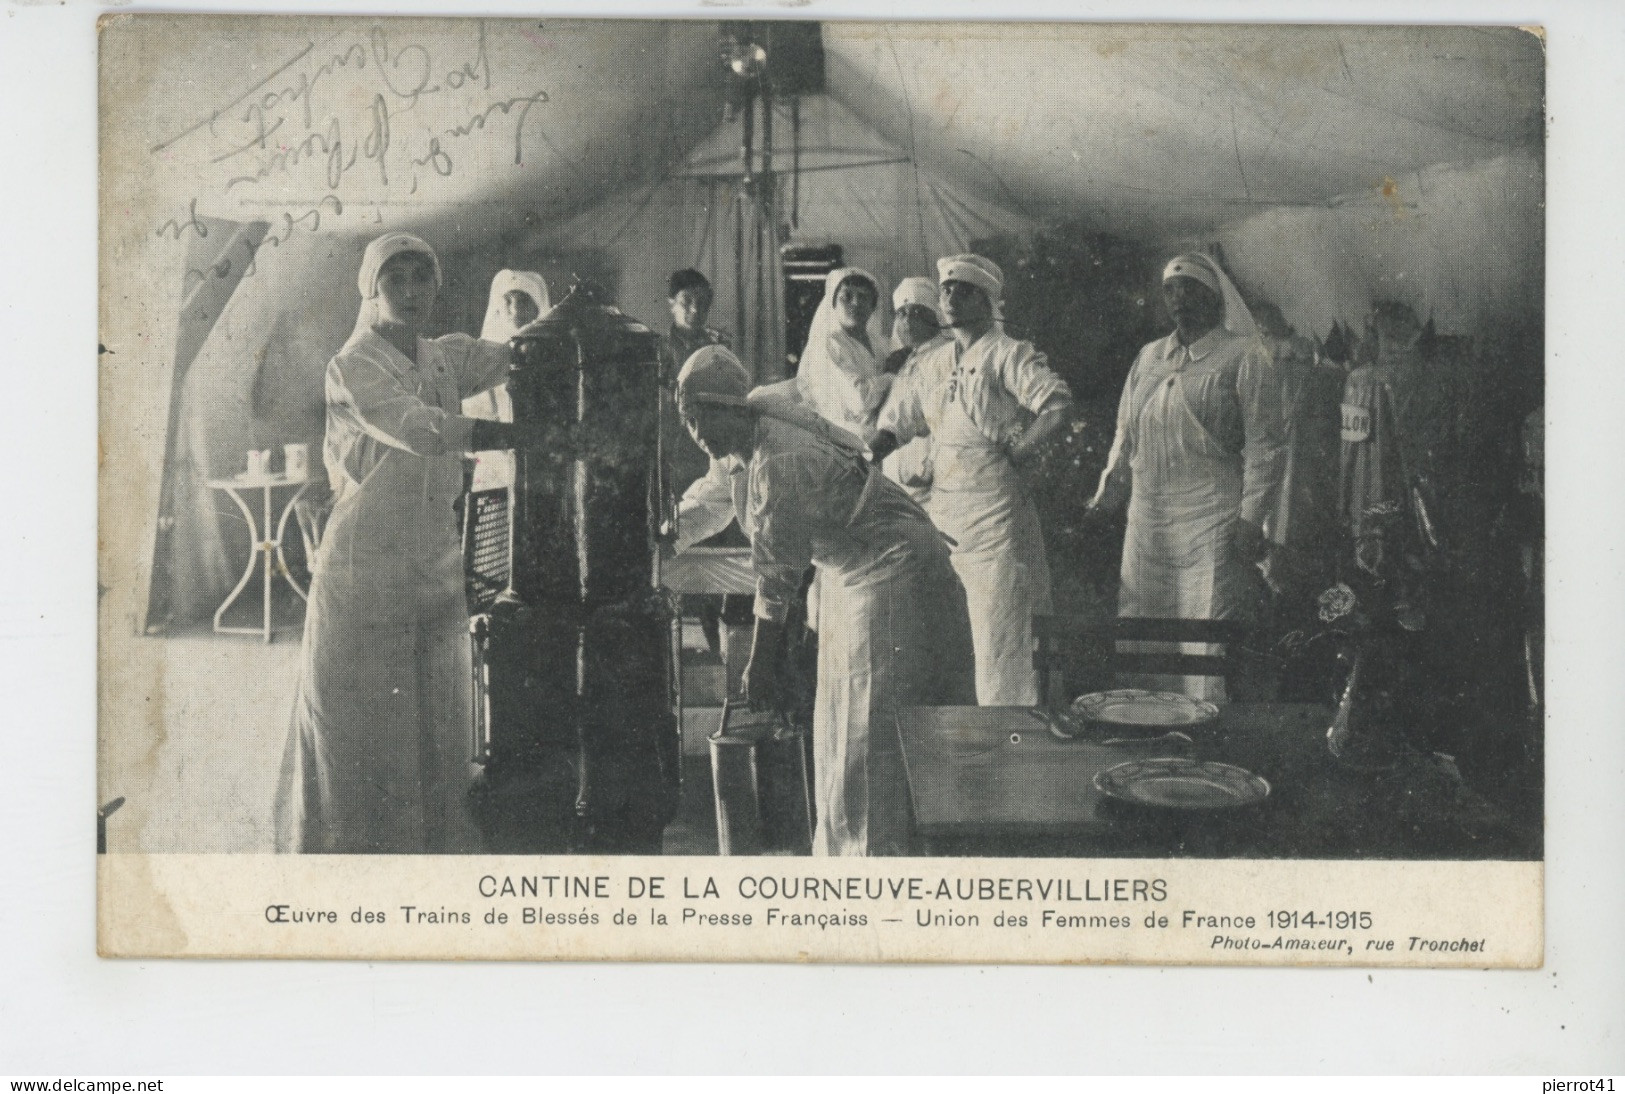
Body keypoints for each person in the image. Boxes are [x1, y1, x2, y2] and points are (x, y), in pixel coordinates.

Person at [274, 232, 531, 854]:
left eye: (424, 278)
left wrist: (560, 345)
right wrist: (521, 433)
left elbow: (509, 356)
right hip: (365, 563)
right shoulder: (352, 365)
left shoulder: (443, 356)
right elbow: (417, 429)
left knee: (439, 721)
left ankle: (426, 855)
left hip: (434, 558)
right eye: (399, 279)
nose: (414, 292)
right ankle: (352, 857)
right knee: (367, 725)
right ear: (372, 287)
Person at [676, 345, 975, 856]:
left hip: (895, 570)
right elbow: (713, 501)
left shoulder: (779, 458)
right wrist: (661, 535)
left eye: (700, 418)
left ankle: (887, 856)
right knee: (842, 721)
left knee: (874, 724)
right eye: (687, 420)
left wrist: (759, 663)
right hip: (855, 574)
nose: (695, 432)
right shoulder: (743, 445)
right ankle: (848, 853)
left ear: (729, 409)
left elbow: (775, 579)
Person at [873, 254, 1072, 706]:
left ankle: (1009, 745)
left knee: (998, 641)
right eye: (946, 290)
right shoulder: (934, 361)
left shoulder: (1008, 353)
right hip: (943, 519)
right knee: (946, 642)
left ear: (987, 301)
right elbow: (898, 421)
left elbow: (1058, 407)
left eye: (964, 291)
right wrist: (870, 453)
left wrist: (1020, 448)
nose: (951, 298)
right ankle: (960, 754)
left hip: (996, 522)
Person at [1088, 252, 1287, 701]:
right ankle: (1140, 718)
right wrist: (1106, 498)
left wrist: (1251, 519)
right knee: (1143, 622)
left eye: (1191, 289)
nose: (1179, 299)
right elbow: (1126, 434)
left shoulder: (1243, 356)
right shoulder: (1149, 357)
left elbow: (1266, 446)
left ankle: (1202, 730)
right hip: (1150, 519)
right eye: (1171, 290)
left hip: (1212, 517)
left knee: (1205, 628)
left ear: (1216, 299)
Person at [462, 269, 550, 491]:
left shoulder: (552, 355)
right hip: (497, 469)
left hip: (542, 465)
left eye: (523, 301)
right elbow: (478, 420)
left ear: (537, 307)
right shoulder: (486, 358)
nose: (514, 309)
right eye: (508, 301)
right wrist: (511, 467)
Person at [876, 276, 950, 507]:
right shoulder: (905, 359)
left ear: (935, 319)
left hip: (931, 480)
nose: (907, 320)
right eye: (901, 313)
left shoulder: (942, 356)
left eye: (917, 312)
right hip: (903, 481)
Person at [794, 267, 891, 436]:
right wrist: (892, 374)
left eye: (863, 297)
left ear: (873, 306)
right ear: (833, 303)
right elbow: (860, 400)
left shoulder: (882, 344)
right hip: (846, 438)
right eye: (846, 297)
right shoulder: (828, 344)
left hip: (883, 435)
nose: (855, 303)